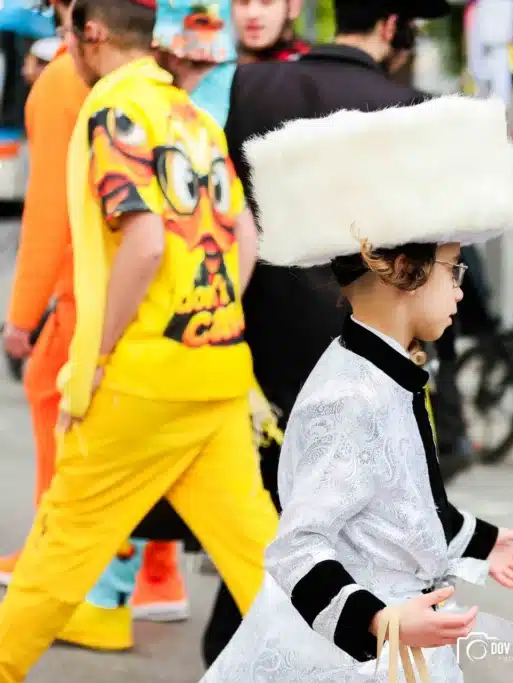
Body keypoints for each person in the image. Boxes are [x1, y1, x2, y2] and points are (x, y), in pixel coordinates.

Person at [201, 94, 513, 683]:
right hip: (360, 652)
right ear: (402, 271)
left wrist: (478, 541)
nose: (461, 289)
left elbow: (397, 506)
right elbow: (297, 546)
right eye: (453, 267)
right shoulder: (349, 395)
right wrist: (378, 621)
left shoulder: (385, 370)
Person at [0, 0, 280, 677]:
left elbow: (145, 242)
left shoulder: (115, 109)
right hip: (216, 371)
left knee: (57, 551)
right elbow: (246, 235)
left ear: (93, 33)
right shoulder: (193, 116)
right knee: (265, 564)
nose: (64, 47)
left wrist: (94, 354)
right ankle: (360, 666)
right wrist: (207, 318)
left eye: (67, 33)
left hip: (141, 379)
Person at [200, 0, 457, 666]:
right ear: (393, 25)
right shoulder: (412, 108)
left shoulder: (247, 87)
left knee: (277, 510)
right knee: (341, 531)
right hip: (360, 345)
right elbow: (432, 260)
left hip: (256, 342)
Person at [1, 0, 191, 652]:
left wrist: (28, 317)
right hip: (194, 328)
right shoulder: (170, 90)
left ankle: (75, 590)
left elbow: (53, 215)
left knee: (73, 443)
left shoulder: (75, 84)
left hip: (102, 309)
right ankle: (152, 576)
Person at [231, 0, 308, 62]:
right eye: (243, 1)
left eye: (266, 2)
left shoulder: (313, 69)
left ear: (293, 6)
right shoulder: (224, 71)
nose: (252, 13)